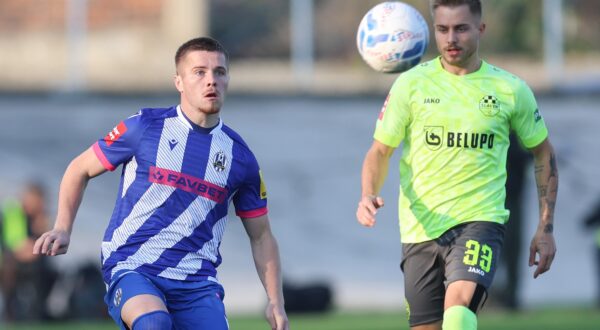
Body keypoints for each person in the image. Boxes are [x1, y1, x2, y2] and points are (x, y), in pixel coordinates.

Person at [33, 37, 289, 330]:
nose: (211, 81)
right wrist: (63, 227)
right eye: (199, 72)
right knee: (153, 322)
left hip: (197, 283)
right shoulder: (144, 127)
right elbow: (79, 169)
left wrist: (275, 301)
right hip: (134, 266)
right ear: (178, 81)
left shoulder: (240, 157)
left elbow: (262, 236)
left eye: (219, 72)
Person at [355, 1, 558, 329]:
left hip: (481, 220)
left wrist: (545, 228)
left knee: (458, 313)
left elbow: (544, 154)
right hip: (420, 227)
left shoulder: (510, 90)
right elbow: (380, 151)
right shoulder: (411, 85)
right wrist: (367, 194)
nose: (451, 38)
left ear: (481, 29)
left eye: (461, 28)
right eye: (443, 29)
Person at [1, 182, 54, 321]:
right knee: (11, 268)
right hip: (7, 262)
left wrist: (43, 228)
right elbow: (18, 247)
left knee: (47, 269)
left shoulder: (37, 216)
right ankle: (10, 316)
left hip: (27, 262)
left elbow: (50, 247)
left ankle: (38, 313)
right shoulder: (14, 211)